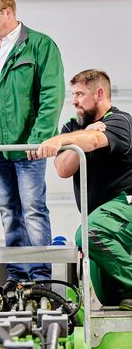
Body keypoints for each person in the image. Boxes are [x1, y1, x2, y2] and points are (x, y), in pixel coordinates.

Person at [0, 0, 65, 287]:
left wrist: (39, 139)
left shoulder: (39, 45)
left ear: (9, 12)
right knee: (8, 209)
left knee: (33, 209)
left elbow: (52, 95)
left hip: (27, 144)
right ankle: (17, 275)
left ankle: (40, 279)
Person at [36, 69, 132, 309]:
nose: (74, 100)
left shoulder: (119, 121)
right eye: (73, 94)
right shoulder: (72, 128)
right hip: (103, 218)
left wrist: (66, 141)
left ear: (99, 93)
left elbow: (97, 141)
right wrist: (80, 138)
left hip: (125, 208)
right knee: (111, 298)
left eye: (80, 94)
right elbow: (63, 168)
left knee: (88, 233)